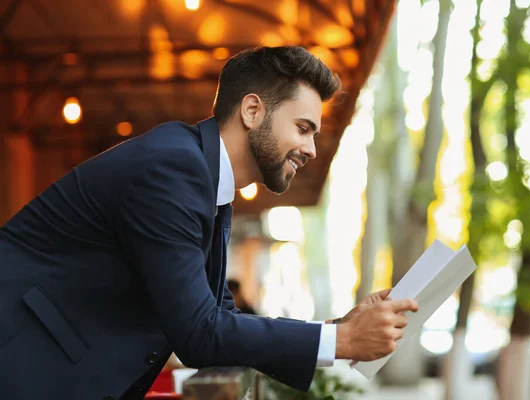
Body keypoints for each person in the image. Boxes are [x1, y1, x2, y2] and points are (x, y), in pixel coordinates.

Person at [0, 46, 418, 399]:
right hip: (21, 363)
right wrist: (340, 342)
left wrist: (337, 329)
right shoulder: (173, 168)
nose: (310, 148)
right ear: (252, 110)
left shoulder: (207, 183)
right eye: (303, 128)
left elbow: (220, 313)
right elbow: (199, 333)